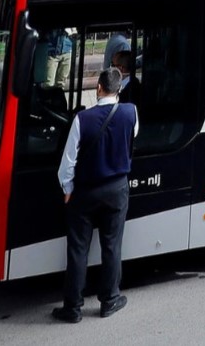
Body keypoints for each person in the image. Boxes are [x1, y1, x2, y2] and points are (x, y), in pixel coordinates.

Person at [53, 67, 138, 323]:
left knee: (78, 249)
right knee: (112, 246)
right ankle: (110, 300)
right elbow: (132, 139)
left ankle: (73, 307)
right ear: (119, 90)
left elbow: (67, 164)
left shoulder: (82, 119)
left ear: (98, 88)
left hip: (86, 192)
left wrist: (67, 190)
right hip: (117, 190)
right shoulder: (131, 112)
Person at [102, 33, 139, 104]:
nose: (112, 68)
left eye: (113, 65)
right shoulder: (136, 84)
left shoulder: (123, 94)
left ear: (120, 68)